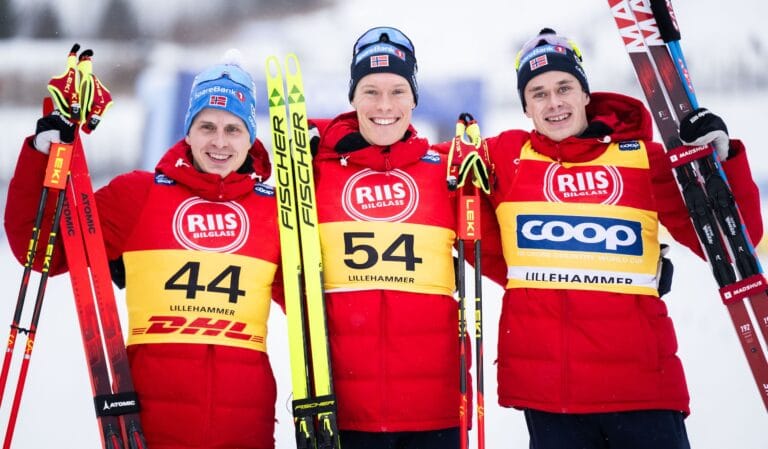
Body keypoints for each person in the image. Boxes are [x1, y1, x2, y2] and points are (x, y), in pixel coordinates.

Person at [477, 28, 763, 448]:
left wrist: (719, 163)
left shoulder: (641, 159)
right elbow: (469, 230)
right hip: (551, 398)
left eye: (563, 87)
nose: (554, 103)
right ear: (525, 106)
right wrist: (534, 285)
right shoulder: (503, 157)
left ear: (585, 93)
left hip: (643, 389)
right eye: (538, 93)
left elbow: (734, 243)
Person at [4, 50, 283, 449]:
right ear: (187, 131)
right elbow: (42, 250)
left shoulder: (273, 210)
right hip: (148, 429)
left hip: (246, 431)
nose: (219, 142)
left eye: (233, 129)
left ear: (250, 137)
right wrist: (42, 154)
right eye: (207, 126)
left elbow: (317, 303)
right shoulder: (138, 196)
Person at [307, 26, 465, 449]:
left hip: (435, 410)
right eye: (370, 91)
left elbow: (507, 253)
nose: (384, 105)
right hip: (344, 408)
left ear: (414, 98)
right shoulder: (315, 171)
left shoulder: (446, 171)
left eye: (398, 91)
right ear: (352, 98)